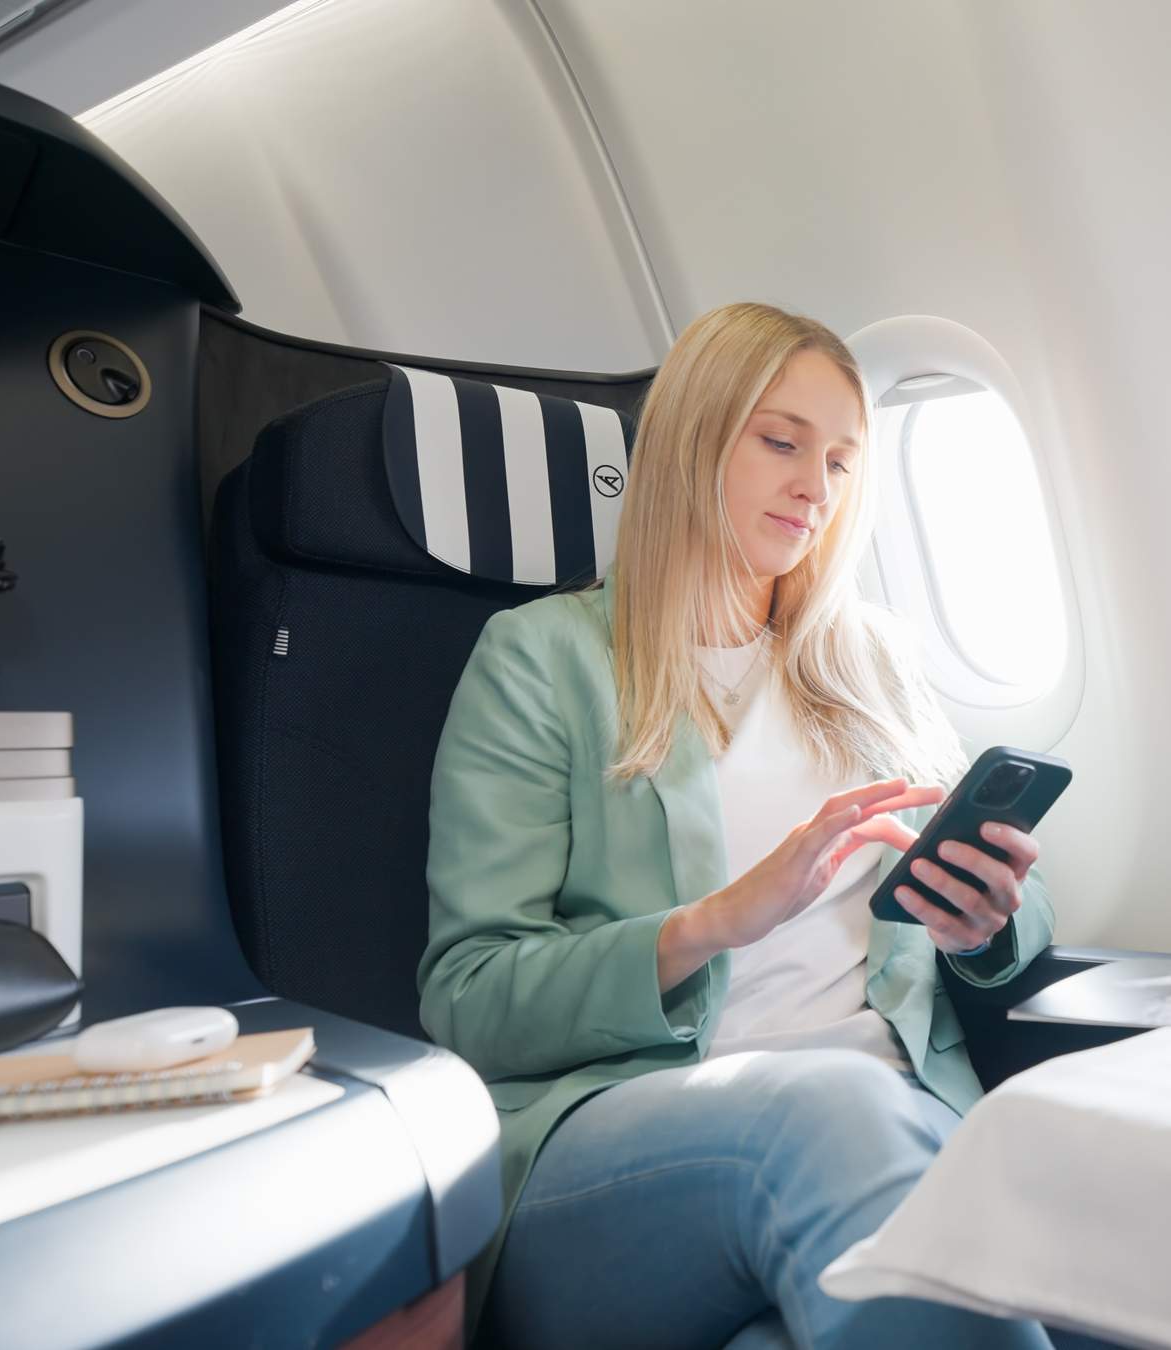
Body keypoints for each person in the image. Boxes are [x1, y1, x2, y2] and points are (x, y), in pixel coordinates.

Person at [417, 302, 1058, 1350]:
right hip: (629, 1137)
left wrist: (984, 927)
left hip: (888, 1119)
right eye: (781, 441)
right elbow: (470, 998)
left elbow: (1009, 934)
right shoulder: (542, 659)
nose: (816, 486)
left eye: (844, 462)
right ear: (693, 439)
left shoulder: (874, 666)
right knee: (832, 1116)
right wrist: (714, 921)